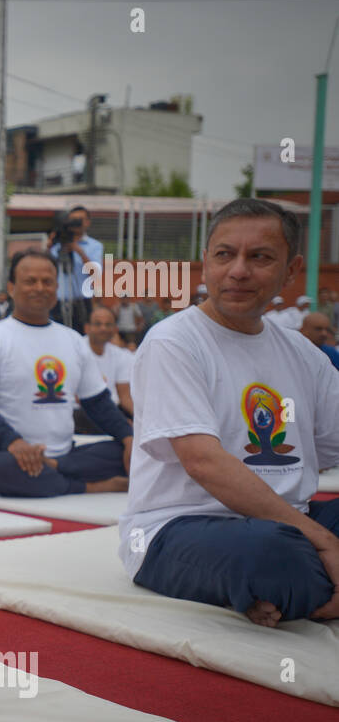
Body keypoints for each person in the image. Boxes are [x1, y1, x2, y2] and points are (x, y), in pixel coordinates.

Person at [121, 198, 339, 627]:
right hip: (177, 528)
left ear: (291, 270)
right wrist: (325, 541)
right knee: (272, 555)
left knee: (282, 549)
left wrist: (315, 533)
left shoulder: (301, 352)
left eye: (259, 257)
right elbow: (203, 462)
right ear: (206, 262)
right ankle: (291, 581)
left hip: (290, 521)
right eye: (225, 255)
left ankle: (290, 592)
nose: (238, 270)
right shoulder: (173, 342)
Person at [0, 249, 133, 497]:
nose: (40, 288)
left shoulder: (73, 341)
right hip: (1, 452)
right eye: (30, 281)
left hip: (64, 454)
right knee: (4, 470)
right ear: (11, 288)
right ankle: (87, 486)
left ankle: (54, 468)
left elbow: (97, 402)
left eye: (47, 282)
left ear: (57, 288)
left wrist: (127, 437)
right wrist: (12, 442)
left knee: (136, 452)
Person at [75, 305, 135, 434]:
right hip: (83, 411)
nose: (103, 328)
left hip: (113, 410)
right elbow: (76, 397)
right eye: (98, 324)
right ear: (87, 328)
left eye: (108, 324)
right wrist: (119, 423)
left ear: (115, 329)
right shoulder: (75, 351)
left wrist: (141, 420)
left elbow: (125, 397)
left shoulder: (122, 355)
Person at [47, 205, 104, 333]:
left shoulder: (94, 246)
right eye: (72, 220)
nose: (75, 223)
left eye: (79, 220)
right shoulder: (58, 244)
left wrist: (79, 251)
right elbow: (46, 268)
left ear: (87, 222)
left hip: (81, 302)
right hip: (58, 301)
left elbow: (95, 273)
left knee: (82, 338)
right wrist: (49, 247)